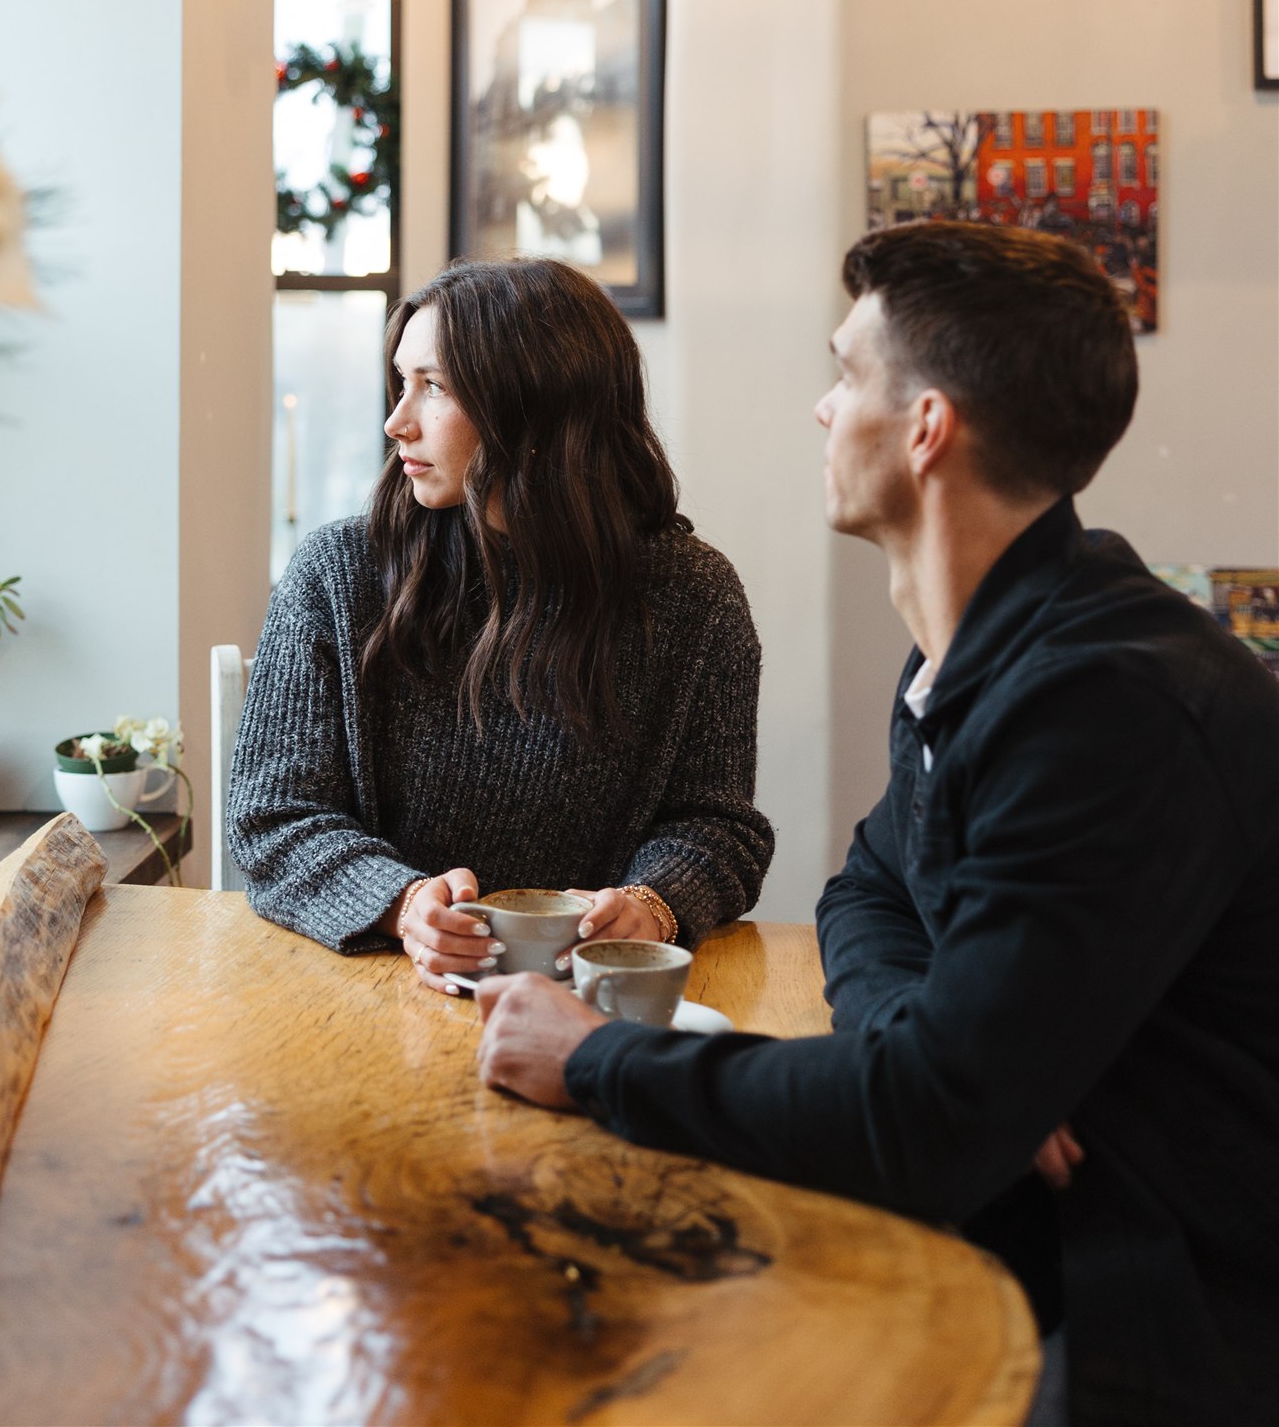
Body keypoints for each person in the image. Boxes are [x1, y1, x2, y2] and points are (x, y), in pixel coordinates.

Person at [475, 223, 1279, 1427]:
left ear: (926, 428)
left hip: (1164, 1311)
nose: (821, 407)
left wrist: (593, 1058)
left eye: (846, 373)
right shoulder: (983, 647)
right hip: (1025, 1231)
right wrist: (952, 1050)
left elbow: (929, 1123)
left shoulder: (1109, 701)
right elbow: (868, 891)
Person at [228, 256, 773, 989]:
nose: (396, 422)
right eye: (400, 382)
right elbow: (272, 815)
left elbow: (719, 826)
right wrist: (400, 904)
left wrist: (654, 904)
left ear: (534, 407)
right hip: (364, 987)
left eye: (433, 387)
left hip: (591, 1003)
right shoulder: (336, 573)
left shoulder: (694, 596)